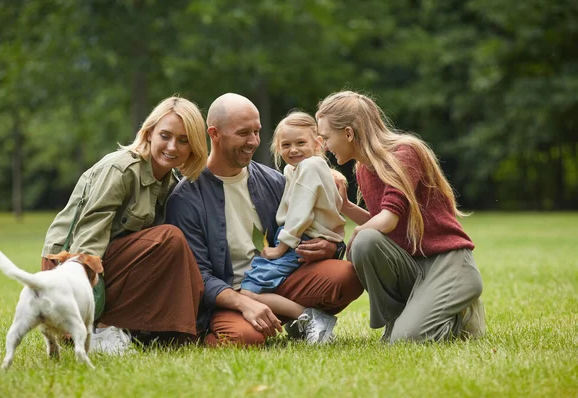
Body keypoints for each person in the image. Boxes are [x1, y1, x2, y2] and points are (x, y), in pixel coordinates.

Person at [166, 93, 363, 346]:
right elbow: (199, 275)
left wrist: (330, 247)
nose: (253, 141)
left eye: (257, 132)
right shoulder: (187, 197)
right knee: (245, 338)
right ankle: (285, 319)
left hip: (277, 280)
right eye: (243, 133)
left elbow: (308, 224)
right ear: (214, 133)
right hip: (229, 296)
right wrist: (242, 303)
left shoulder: (273, 181)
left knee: (347, 276)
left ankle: (297, 319)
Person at [315, 90, 486, 343]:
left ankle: (460, 313)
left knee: (406, 340)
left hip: (447, 262)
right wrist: (347, 207)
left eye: (326, 137)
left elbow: (387, 221)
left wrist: (356, 234)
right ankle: (400, 320)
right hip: (412, 265)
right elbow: (383, 225)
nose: (324, 145)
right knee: (367, 243)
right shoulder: (363, 168)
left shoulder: (404, 153)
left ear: (349, 133)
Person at [41, 95, 207, 353]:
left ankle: (170, 333)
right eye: (165, 136)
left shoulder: (171, 182)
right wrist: (79, 304)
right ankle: (99, 330)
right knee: (169, 238)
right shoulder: (122, 168)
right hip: (70, 264)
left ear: (193, 147)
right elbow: (88, 238)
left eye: (183, 140)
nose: (173, 147)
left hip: (112, 260)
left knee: (182, 253)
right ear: (149, 133)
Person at [239, 111, 347, 344]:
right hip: (298, 238)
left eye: (301, 143)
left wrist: (281, 247)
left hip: (301, 239)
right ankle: (301, 321)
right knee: (256, 284)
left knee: (248, 291)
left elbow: (301, 212)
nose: (293, 150)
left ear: (318, 143)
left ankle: (310, 319)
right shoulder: (293, 170)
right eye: (286, 145)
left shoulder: (310, 166)